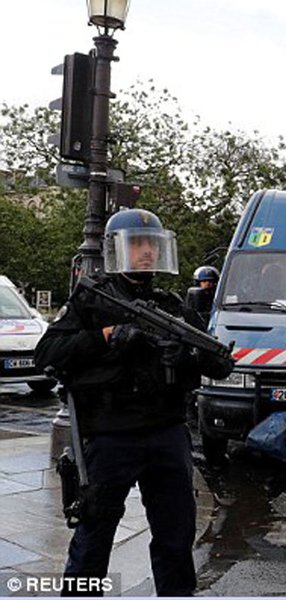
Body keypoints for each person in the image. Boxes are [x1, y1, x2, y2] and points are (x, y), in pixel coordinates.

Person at [34, 208, 234, 597]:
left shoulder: (170, 306)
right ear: (118, 249)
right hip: (110, 435)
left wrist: (187, 356)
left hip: (166, 433)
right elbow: (48, 353)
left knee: (176, 535)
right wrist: (107, 336)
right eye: (137, 244)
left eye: (151, 245)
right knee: (94, 536)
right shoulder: (92, 300)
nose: (145, 252)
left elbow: (218, 363)